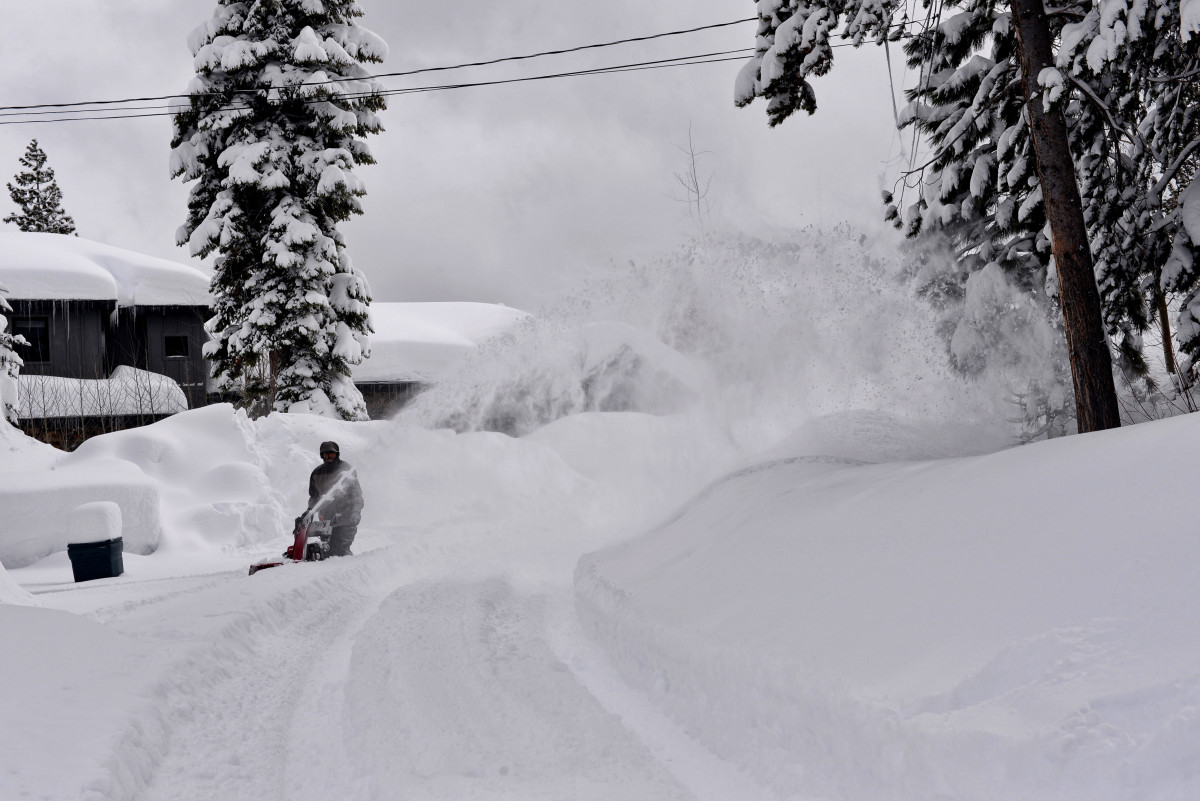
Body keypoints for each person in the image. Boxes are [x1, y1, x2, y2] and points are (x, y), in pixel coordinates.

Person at [301, 440, 363, 557]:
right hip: (326, 521)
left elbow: (356, 495)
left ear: (337, 454)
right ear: (322, 456)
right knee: (327, 552)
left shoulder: (347, 470)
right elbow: (314, 497)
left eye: (332, 454)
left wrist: (356, 512)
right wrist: (310, 510)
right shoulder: (317, 473)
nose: (329, 458)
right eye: (326, 455)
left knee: (339, 550)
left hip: (346, 518)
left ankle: (348, 570)